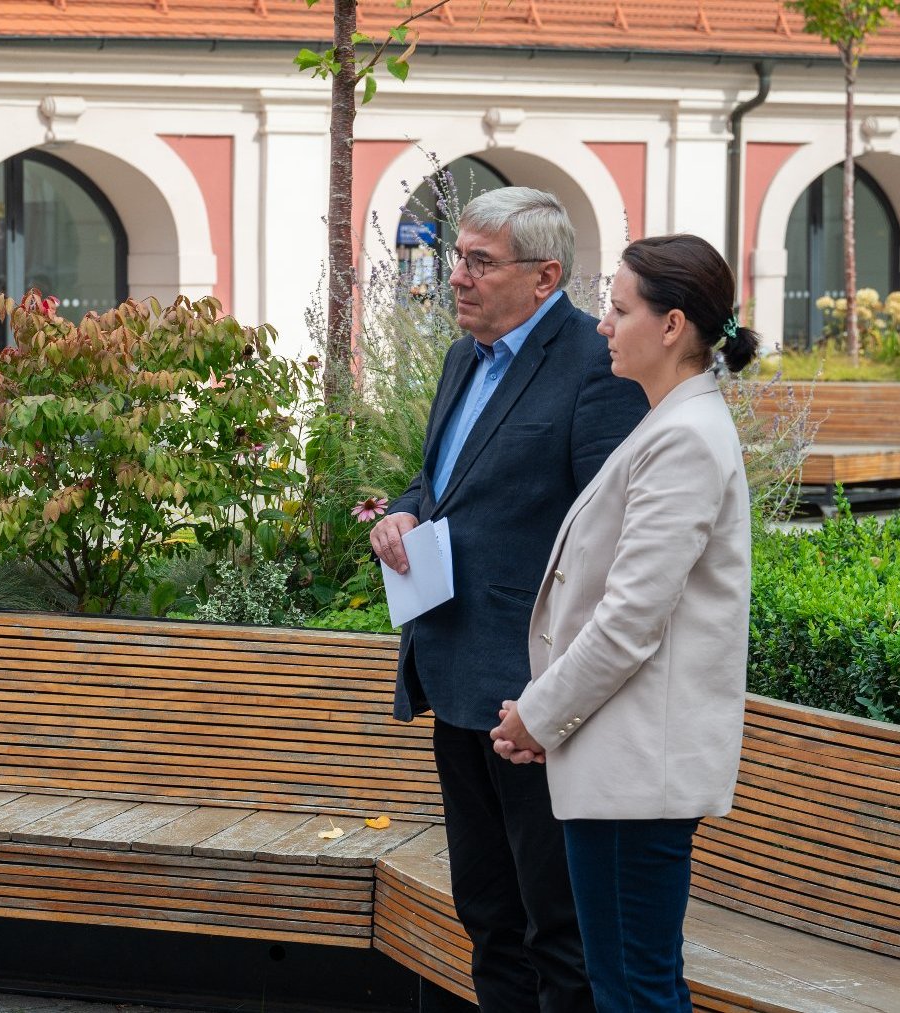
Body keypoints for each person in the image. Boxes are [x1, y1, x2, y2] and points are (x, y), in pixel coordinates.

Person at [369, 187, 649, 1013]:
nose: (455, 276)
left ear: (544, 275)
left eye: (479, 262)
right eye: (457, 257)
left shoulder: (596, 364)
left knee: (553, 929)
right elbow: (441, 477)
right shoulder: (465, 355)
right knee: (487, 915)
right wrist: (407, 509)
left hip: (535, 692)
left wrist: (555, 692)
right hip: (455, 675)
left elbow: (607, 533)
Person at [489, 233, 759, 1013]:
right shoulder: (671, 424)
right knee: (630, 985)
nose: (602, 324)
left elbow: (629, 619)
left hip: (638, 773)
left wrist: (536, 716)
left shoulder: (684, 437)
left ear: (672, 325)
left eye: (618, 308)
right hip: (625, 765)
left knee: (634, 992)